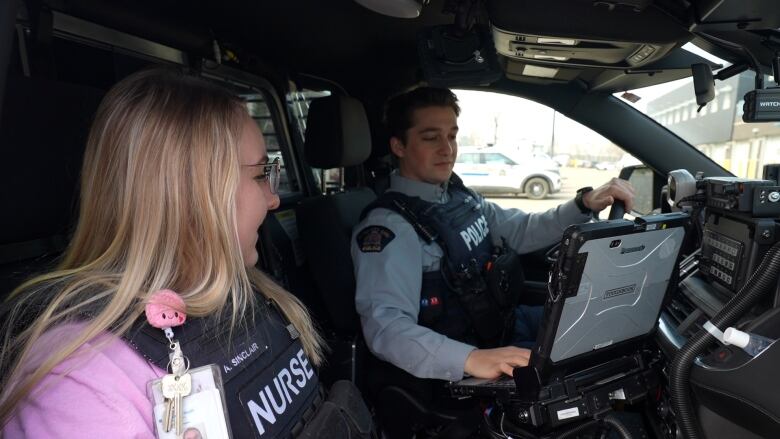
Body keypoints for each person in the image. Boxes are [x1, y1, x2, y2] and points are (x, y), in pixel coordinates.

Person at [0, 68, 368, 438]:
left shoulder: (251, 296)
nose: (273, 199)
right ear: (192, 195)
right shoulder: (78, 384)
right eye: (260, 175)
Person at [352, 87, 635, 385]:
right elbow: (385, 328)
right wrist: (472, 359)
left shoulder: (458, 197)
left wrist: (583, 203)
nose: (447, 149)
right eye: (431, 137)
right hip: (469, 362)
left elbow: (522, 229)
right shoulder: (390, 227)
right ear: (399, 146)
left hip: (507, 324)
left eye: (451, 135)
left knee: (609, 325)